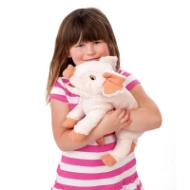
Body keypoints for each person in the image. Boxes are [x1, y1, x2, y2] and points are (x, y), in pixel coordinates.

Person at [46, 7, 162, 190]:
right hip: (76, 185)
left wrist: (112, 116)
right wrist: (103, 127)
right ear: (67, 51)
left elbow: (154, 119)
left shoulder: (122, 79)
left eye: (96, 41)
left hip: (121, 183)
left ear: (109, 43)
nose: (90, 51)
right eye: (80, 45)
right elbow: (63, 141)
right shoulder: (64, 87)